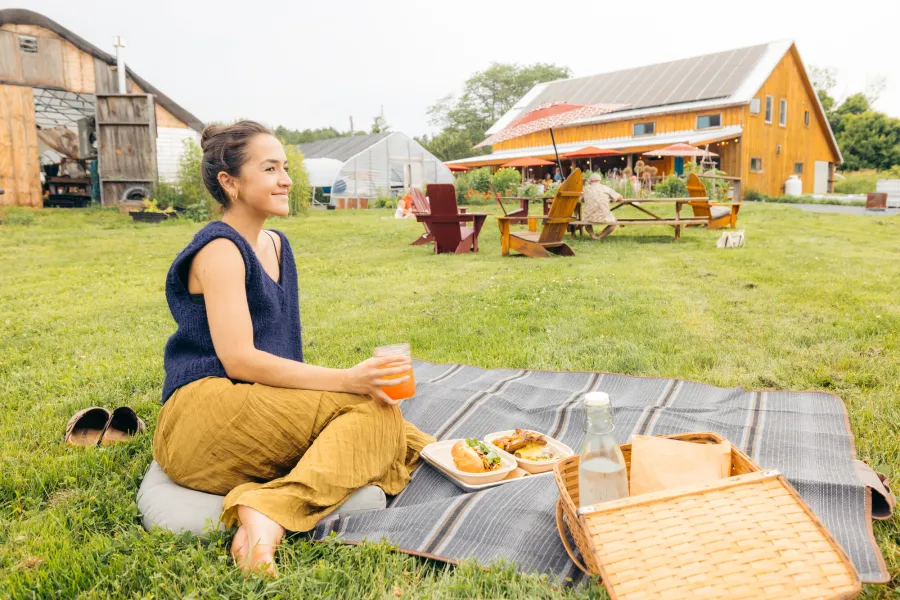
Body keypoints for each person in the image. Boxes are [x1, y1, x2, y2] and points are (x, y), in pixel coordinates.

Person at [153, 121, 434, 577]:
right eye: (270, 168)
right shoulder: (220, 250)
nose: (286, 179)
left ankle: (452, 452)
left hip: (256, 402)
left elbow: (280, 361)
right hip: (204, 414)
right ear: (230, 182)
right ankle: (268, 508)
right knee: (374, 415)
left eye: (284, 167)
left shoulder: (277, 244)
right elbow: (239, 359)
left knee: (384, 414)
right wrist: (346, 380)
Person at [582, 172, 621, 239]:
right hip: (604, 217)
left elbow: (581, 199)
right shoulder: (605, 188)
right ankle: (600, 236)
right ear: (600, 181)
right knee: (613, 223)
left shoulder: (586, 189)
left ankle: (593, 235)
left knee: (586, 221)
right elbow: (620, 198)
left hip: (589, 217)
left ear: (590, 181)